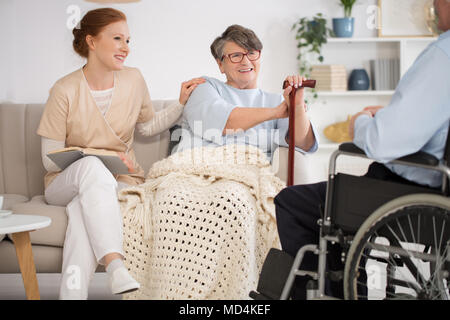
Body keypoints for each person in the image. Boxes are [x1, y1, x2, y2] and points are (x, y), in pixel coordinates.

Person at [273, 0, 450, 299]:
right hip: (434, 185)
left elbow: (381, 141)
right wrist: (388, 114)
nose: (433, 4)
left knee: (291, 202)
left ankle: (332, 293)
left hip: (408, 188)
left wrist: (363, 121)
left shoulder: (443, 54)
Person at [37, 8, 204, 300]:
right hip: (65, 182)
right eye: (117, 38)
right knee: (90, 167)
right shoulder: (64, 89)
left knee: (80, 211)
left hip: (122, 179)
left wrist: (180, 103)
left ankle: (71, 296)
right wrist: (94, 156)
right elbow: (49, 158)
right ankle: (115, 263)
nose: (126, 47)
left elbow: (147, 126)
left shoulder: (134, 79)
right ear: (91, 41)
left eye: (128, 40)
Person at [173, 24, 318, 160]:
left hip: (249, 176)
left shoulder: (278, 102)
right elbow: (225, 122)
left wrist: (297, 106)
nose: (246, 61)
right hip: (197, 170)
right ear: (220, 64)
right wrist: (275, 113)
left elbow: (303, 143)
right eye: (236, 56)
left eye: (251, 53)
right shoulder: (205, 87)